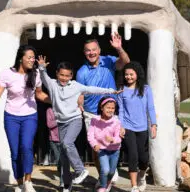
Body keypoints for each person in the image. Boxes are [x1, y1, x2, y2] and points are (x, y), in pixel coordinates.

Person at [38, 58, 122, 192]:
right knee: (64, 156)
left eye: (67, 75)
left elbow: (92, 89)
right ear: (57, 74)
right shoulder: (52, 84)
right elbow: (43, 76)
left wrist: (111, 91)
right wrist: (42, 67)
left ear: (71, 75)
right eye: (61, 75)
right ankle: (67, 184)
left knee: (67, 143)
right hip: (61, 122)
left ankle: (80, 170)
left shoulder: (76, 86)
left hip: (75, 120)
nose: (64, 78)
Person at [0, 45, 50, 192]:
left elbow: (39, 94)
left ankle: (28, 181)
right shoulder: (8, 74)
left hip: (30, 116)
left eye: (33, 57)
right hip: (11, 117)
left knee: (26, 146)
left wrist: (53, 100)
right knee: (15, 151)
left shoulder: (36, 74)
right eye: (29, 57)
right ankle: (19, 183)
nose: (33, 60)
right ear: (21, 58)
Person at [76, 32, 130, 184]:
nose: (91, 53)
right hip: (92, 114)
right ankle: (103, 179)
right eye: (88, 50)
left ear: (99, 50)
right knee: (97, 147)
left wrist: (119, 48)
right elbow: (80, 93)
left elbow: (125, 62)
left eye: (94, 49)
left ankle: (110, 171)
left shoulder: (108, 60)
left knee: (113, 142)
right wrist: (79, 103)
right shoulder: (82, 72)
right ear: (84, 53)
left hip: (111, 112)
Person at [117, 61, 157, 192]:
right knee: (133, 156)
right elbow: (121, 111)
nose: (128, 77)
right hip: (128, 127)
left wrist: (154, 124)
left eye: (131, 74)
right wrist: (121, 126)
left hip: (143, 128)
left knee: (144, 158)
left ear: (137, 74)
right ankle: (134, 186)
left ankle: (141, 176)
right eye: (126, 74)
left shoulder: (146, 89)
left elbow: (150, 108)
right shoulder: (122, 90)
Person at [87, 97, 122, 192]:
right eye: (108, 107)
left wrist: (113, 140)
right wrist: (94, 145)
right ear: (102, 108)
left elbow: (119, 138)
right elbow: (90, 135)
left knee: (111, 172)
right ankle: (102, 186)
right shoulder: (95, 120)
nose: (110, 110)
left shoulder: (116, 121)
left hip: (115, 150)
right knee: (105, 170)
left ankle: (107, 183)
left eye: (112, 108)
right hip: (102, 150)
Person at [46, 106, 63, 187]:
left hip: (64, 139)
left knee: (64, 161)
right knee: (58, 160)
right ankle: (61, 177)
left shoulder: (65, 108)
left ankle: (64, 181)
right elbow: (49, 124)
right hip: (53, 140)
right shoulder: (49, 110)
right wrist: (59, 120)